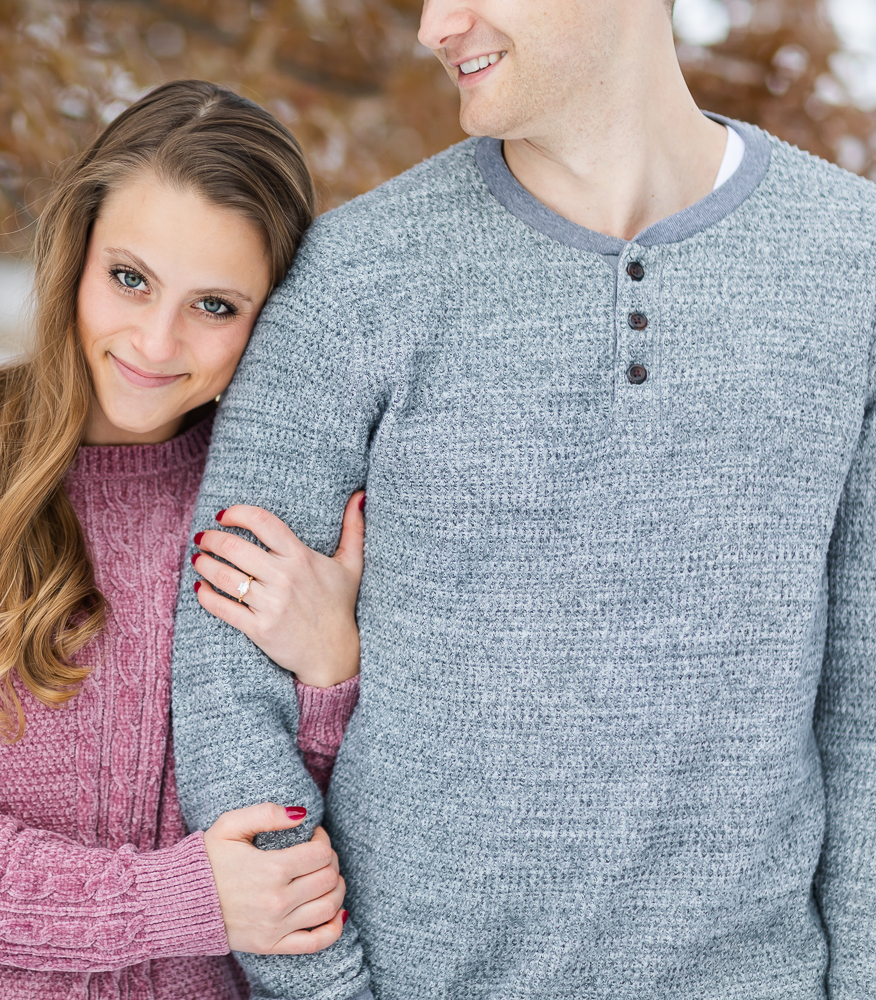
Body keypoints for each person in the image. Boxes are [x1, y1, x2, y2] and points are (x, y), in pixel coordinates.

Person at [171, 1, 876, 998]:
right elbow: (226, 679)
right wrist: (323, 987)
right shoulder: (357, 276)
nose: (433, 26)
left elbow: (866, 701)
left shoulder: (854, 266)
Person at [0, 79, 371, 1000]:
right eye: (130, 278)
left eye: (215, 306)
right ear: (76, 253)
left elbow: (312, 857)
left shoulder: (278, 510)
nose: (154, 339)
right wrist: (169, 901)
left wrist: (328, 673)